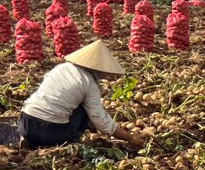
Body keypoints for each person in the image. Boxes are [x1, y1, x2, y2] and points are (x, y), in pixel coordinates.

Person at [18, 40, 147, 149]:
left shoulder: (60, 68)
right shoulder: (89, 83)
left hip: (25, 122)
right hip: (51, 132)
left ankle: (29, 139)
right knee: (86, 110)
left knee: (73, 104)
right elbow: (99, 119)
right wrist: (129, 138)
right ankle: (69, 141)